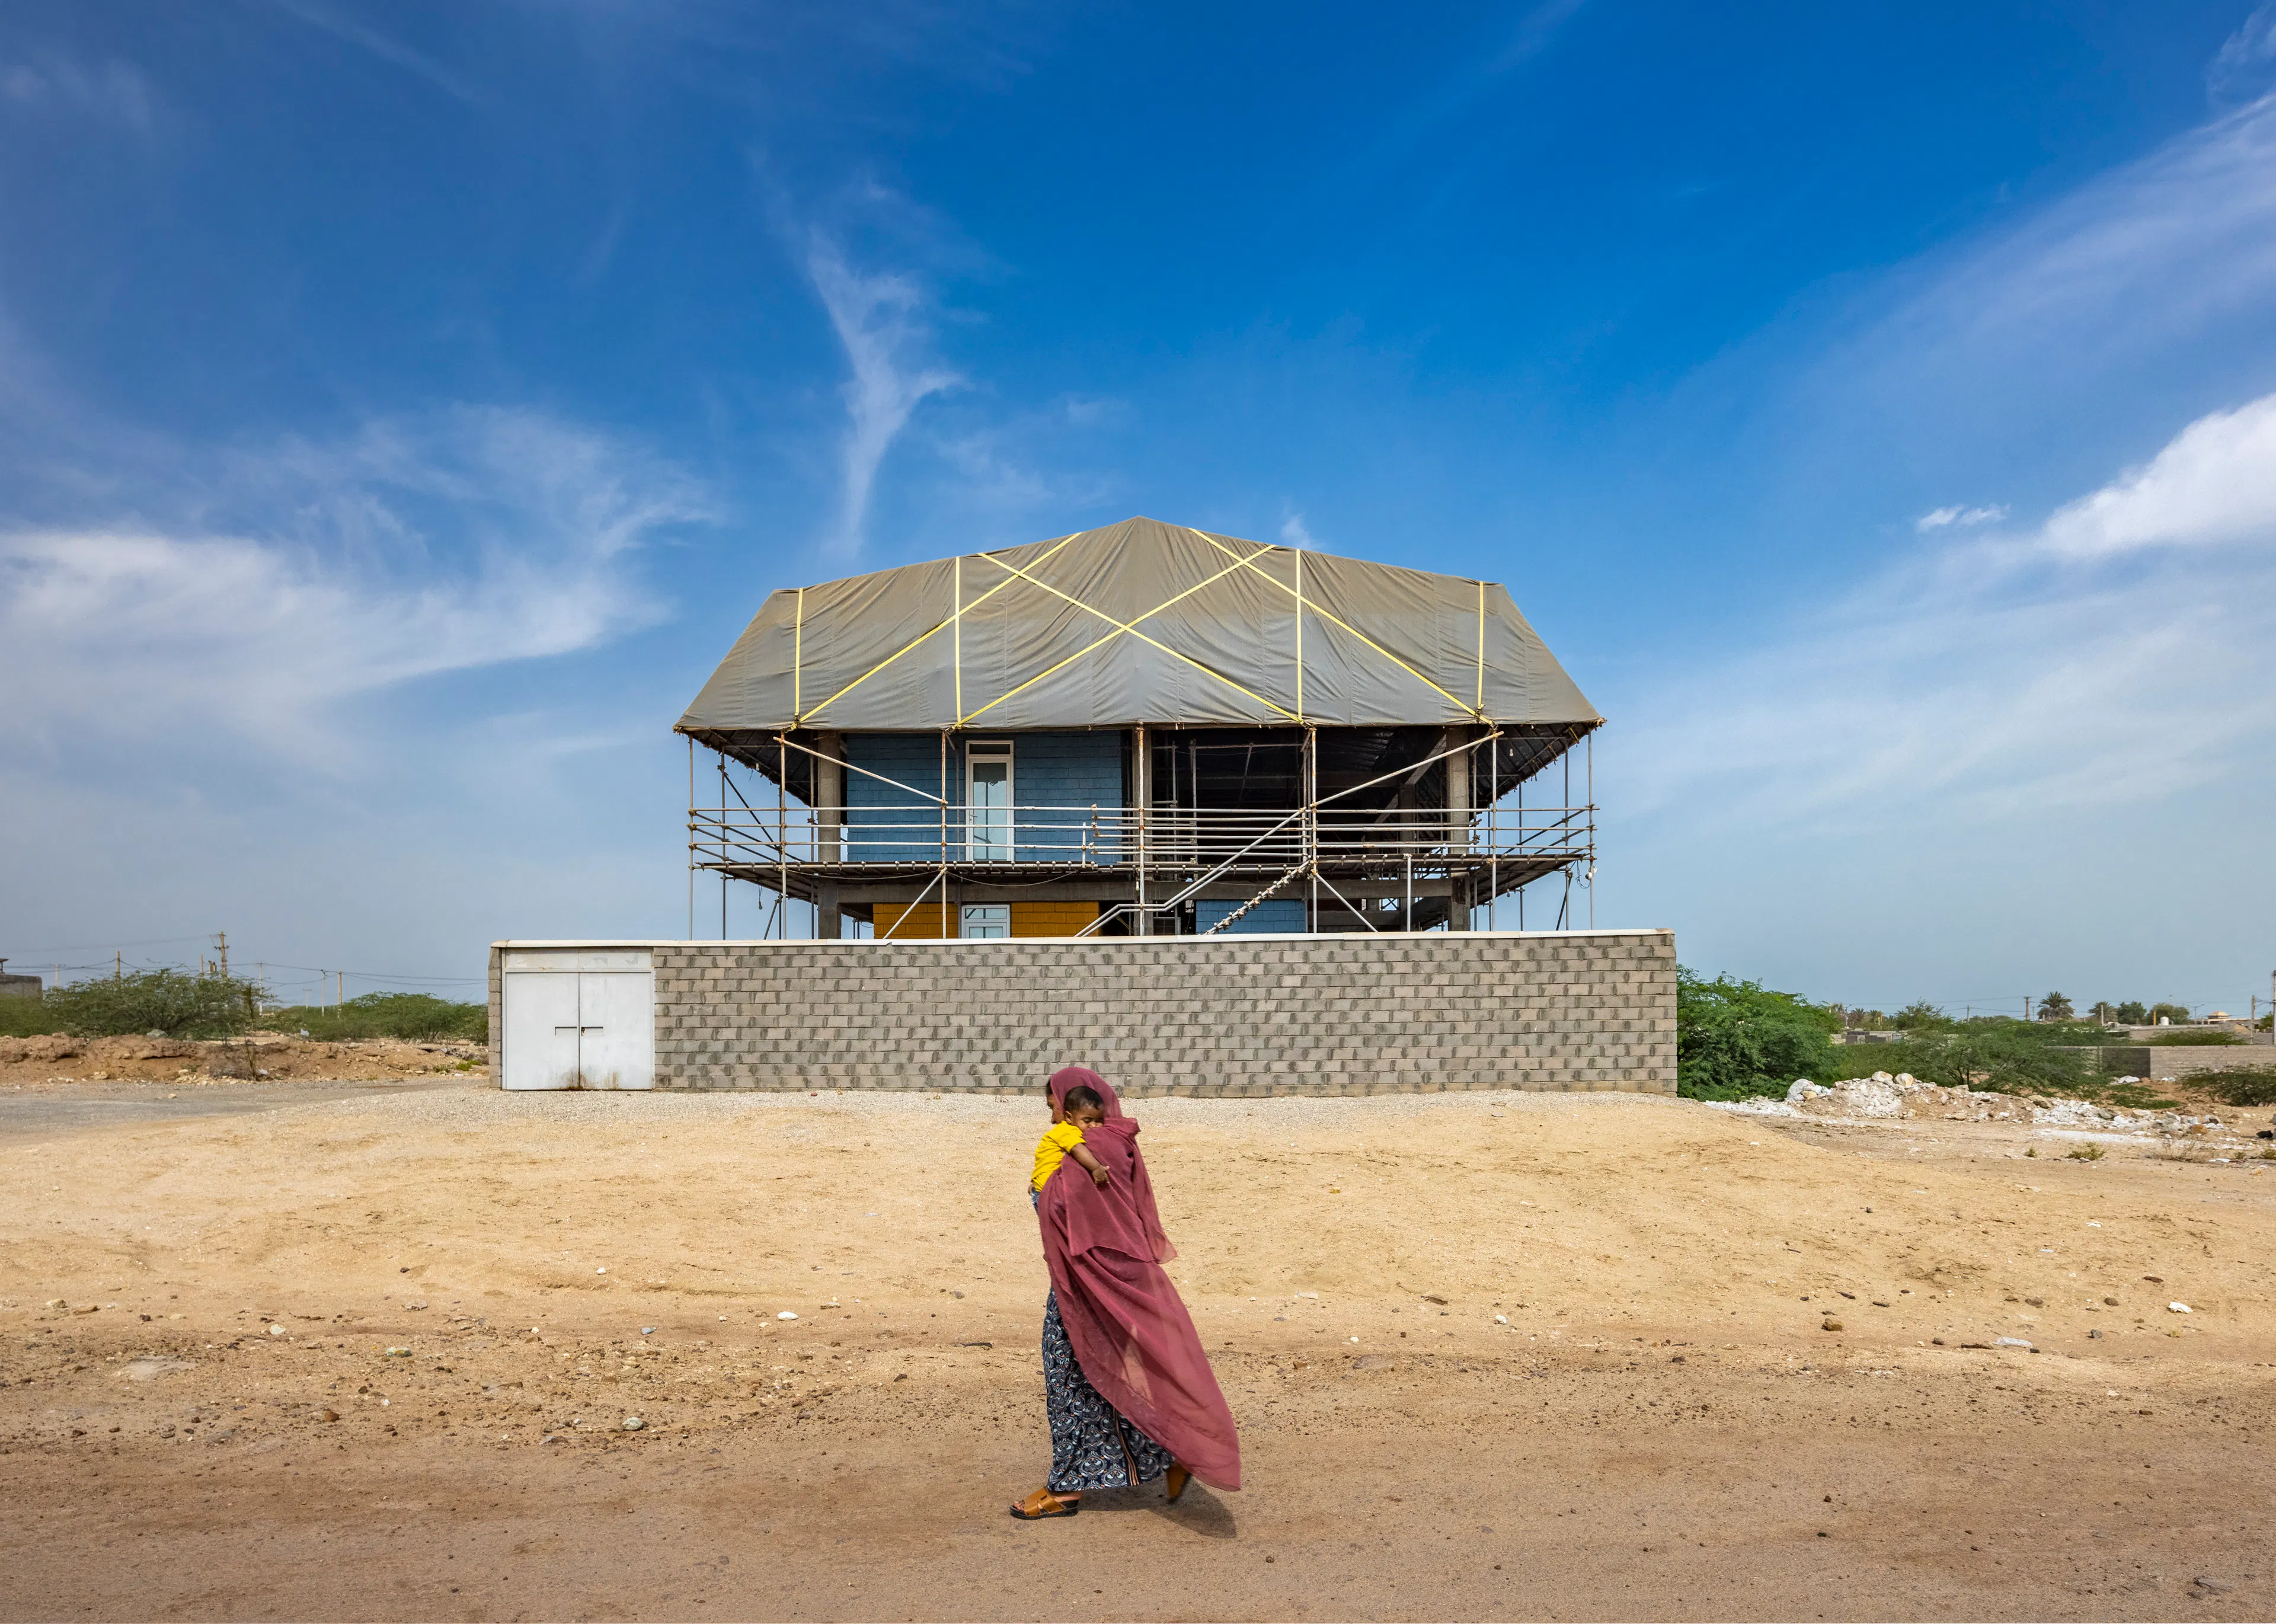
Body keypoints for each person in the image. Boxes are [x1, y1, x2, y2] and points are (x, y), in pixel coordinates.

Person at [1009, 1065, 1241, 1520]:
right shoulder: (1117, 1139)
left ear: (1072, 1106)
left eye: (1054, 1103)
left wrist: (1045, 1190)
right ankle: (1174, 1452)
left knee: (1069, 1379)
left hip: (1091, 1284)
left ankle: (1067, 1488)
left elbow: (1071, 1208)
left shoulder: (1089, 1147)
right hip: (1111, 1279)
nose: (1052, 1111)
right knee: (1107, 1373)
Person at [1031, 1086, 1113, 1194]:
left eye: (1099, 1120)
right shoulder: (1067, 1130)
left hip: (1040, 1186)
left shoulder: (1068, 1129)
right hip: (1046, 1190)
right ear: (1069, 1118)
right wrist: (1096, 1168)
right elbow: (1076, 1148)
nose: (1093, 1125)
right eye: (1087, 1121)